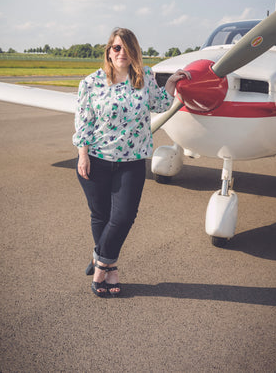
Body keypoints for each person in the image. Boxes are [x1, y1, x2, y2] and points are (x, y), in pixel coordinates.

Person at [72, 27, 190, 298]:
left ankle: (99, 262)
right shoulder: (91, 83)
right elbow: (83, 121)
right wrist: (82, 154)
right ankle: (111, 269)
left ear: (134, 52)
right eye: (116, 47)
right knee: (100, 216)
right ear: (109, 52)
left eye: (127, 48)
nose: (122, 52)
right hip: (96, 160)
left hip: (132, 161)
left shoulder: (145, 77)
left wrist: (170, 84)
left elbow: (160, 104)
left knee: (124, 217)